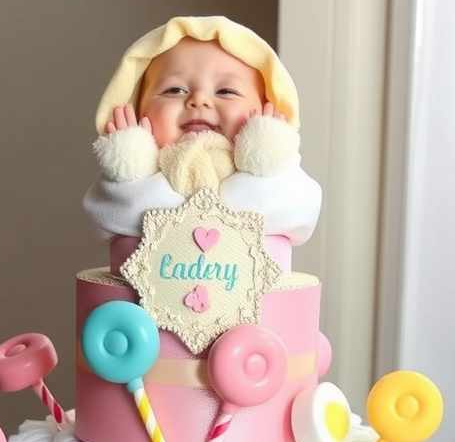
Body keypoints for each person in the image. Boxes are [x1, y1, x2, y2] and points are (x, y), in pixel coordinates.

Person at [83, 15, 321, 263]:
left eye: (226, 91)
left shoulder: (281, 176)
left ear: (264, 112)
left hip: (262, 302)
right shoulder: (129, 179)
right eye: (175, 90)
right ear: (139, 110)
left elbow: (301, 212)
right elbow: (107, 216)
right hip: (142, 303)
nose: (199, 99)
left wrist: (263, 162)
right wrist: (132, 167)